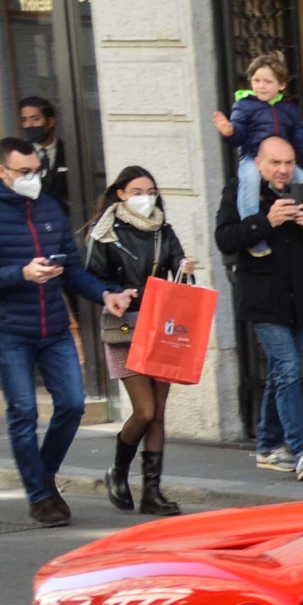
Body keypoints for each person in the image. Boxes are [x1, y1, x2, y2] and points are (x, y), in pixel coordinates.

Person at [0, 137, 137, 525]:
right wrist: (22, 273)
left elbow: (71, 269)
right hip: (9, 331)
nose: (33, 178)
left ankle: (43, 475)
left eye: (36, 170)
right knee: (22, 412)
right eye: (24, 172)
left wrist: (105, 294)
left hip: (53, 327)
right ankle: (40, 496)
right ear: (2, 172)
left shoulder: (48, 207)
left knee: (72, 404)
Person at [213, 135, 303, 482]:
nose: (283, 170)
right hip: (262, 298)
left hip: (300, 298)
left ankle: (269, 446)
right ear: (258, 164)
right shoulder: (241, 193)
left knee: (280, 373)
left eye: (288, 162)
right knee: (288, 369)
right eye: (275, 163)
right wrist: (264, 221)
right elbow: (225, 239)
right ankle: (302, 450)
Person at [83, 167, 198, 516]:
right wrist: (115, 293)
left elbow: (177, 259)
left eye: (150, 190)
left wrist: (185, 265)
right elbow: (90, 278)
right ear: (121, 194)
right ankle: (118, 470)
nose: (145, 197)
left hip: (160, 326)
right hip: (124, 326)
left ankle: (152, 491)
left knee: (159, 414)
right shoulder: (106, 232)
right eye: (136, 190)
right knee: (144, 410)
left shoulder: (162, 228)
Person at [213, 51, 303, 257]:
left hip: (283, 160)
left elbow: (302, 142)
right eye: (256, 80)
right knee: (250, 183)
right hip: (252, 158)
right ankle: (256, 238)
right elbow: (238, 136)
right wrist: (229, 132)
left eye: (267, 81)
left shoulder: (288, 109)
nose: (261, 86)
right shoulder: (244, 105)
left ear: (281, 85)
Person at [17, 97, 69, 213]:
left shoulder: (70, 152)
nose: (29, 125)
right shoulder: (19, 154)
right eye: (24, 120)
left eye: (35, 119)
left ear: (50, 122)